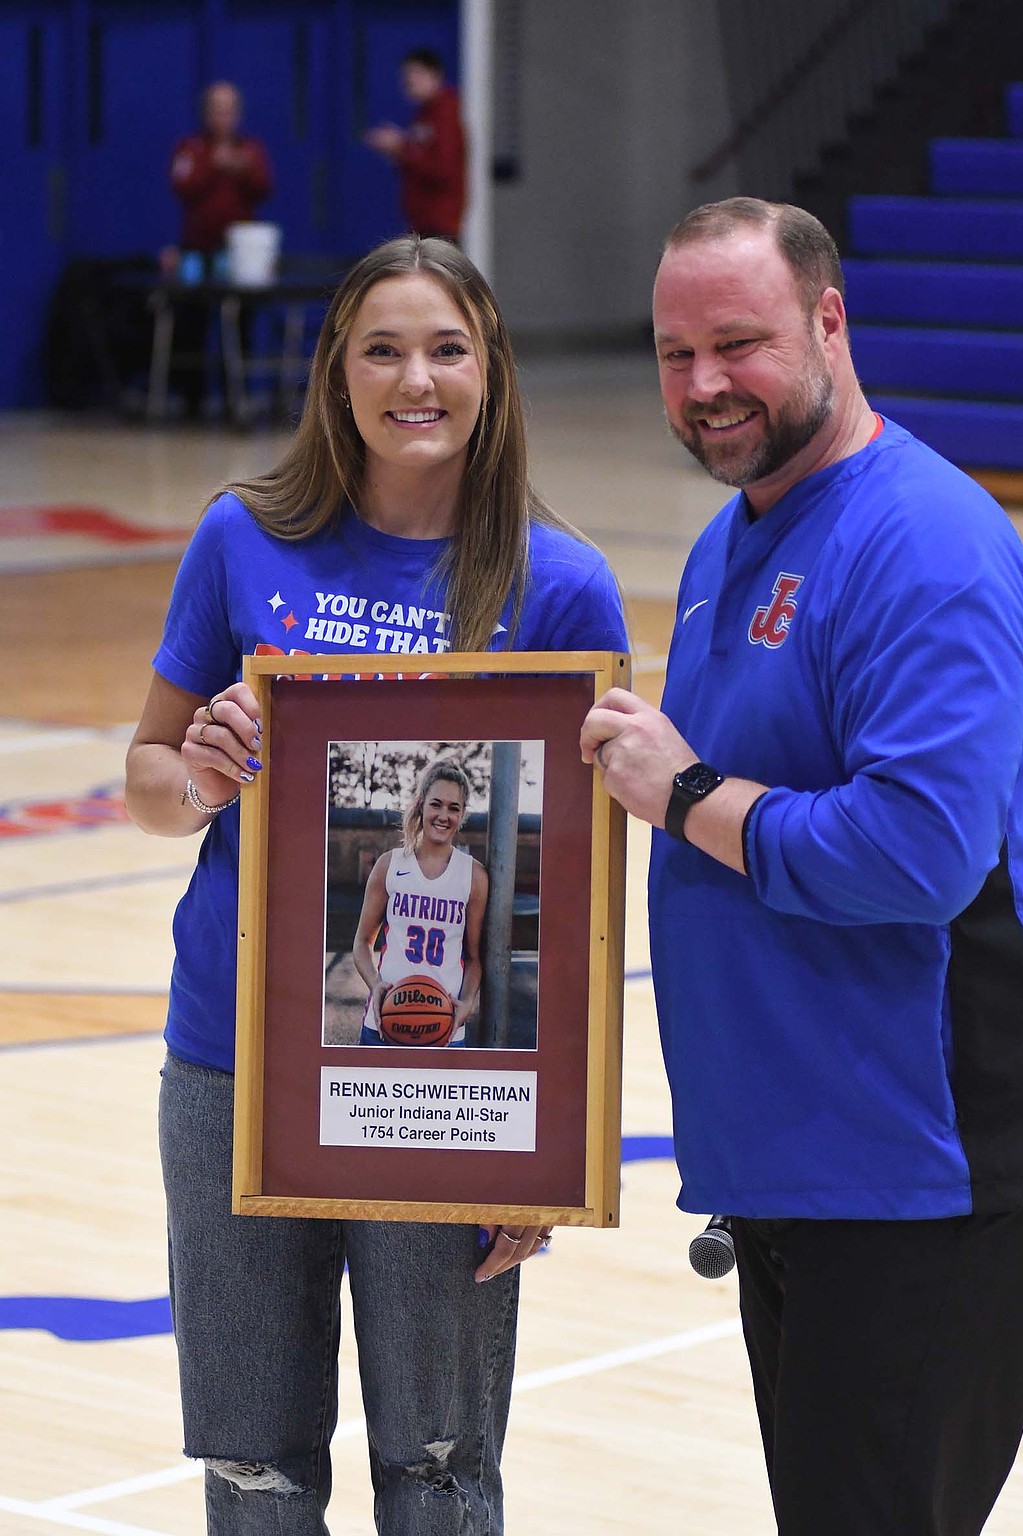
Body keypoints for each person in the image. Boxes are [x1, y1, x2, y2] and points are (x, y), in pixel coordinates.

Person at [581, 196, 1023, 1536]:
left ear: (828, 320)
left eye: (738, 344)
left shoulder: (925, 544)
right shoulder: (728, 541)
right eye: (675, 354)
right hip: (808, 1165)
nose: (704, 386)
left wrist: (688, 791)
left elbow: (916, 856)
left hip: (933, 1176)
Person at [125, 233, 627, 1533]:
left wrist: (545, 1160)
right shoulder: (243, 539)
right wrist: (201, 769)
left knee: (440, 1465)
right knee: (254, 1461)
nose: (417, 378)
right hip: (235, 1060)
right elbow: (144, 781)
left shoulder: (557, 585)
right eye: (384, 349)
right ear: (337, 372)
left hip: (443, 1089)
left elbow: (568, 907)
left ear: (492, 370)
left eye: (447, 348)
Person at [354, 758, 488, 1046]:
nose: (444, 815)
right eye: (436, 804)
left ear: (462, 815)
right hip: (385, 1020)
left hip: (445, 1026)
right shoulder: (389, 865)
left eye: (454, 808)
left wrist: (466, 1003)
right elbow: (362, 943)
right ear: (421, 804)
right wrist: (376, 985)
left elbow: (475, 958)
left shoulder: (473, 875)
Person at [167, 81, 273, 416]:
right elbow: (183, 185)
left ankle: (234, 398)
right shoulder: (192, 148)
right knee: (191, 323)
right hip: (197, 250)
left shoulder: (251, 150)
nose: (222, 118)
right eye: (216, 110)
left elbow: (264, 187)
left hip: (238, 252)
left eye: (229, 111)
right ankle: (190, 400)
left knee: (238, 324)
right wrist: (214, 165)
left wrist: (240, 169)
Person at [364, 49, 466, 243]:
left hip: (439, 218)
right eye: (407, 77)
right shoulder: (424, 114)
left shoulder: (445, 112)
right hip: (422, 218)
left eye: (416, 74)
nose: (410, 83)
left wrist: (401, 148)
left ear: (434, 75)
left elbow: (442, 168)